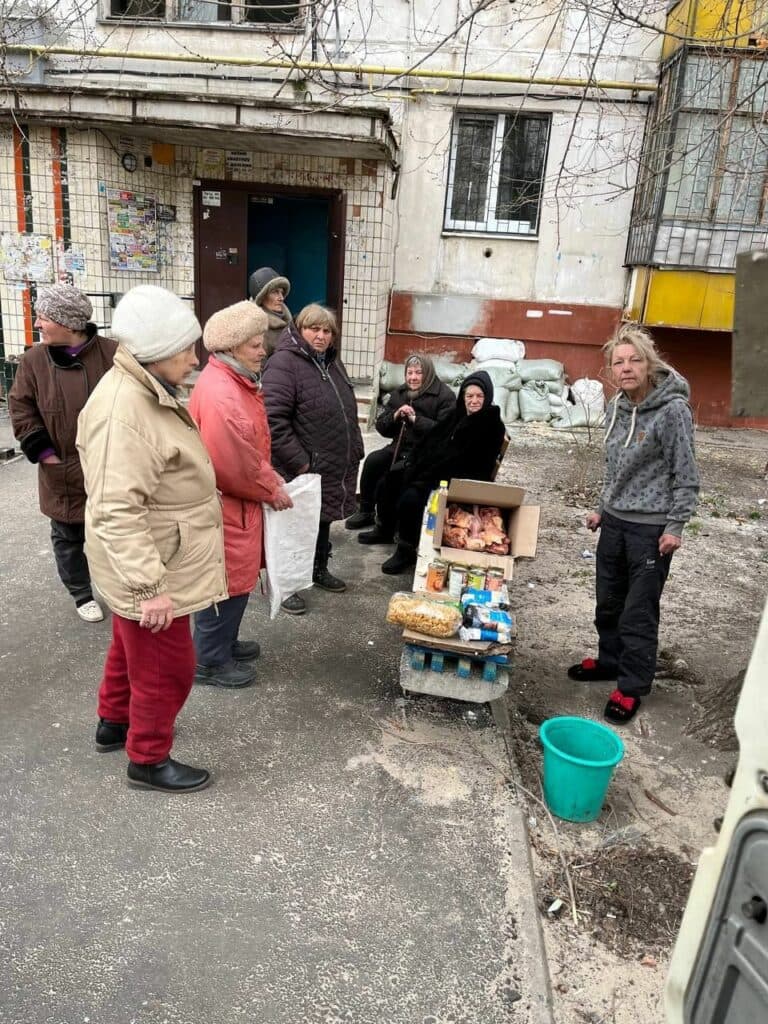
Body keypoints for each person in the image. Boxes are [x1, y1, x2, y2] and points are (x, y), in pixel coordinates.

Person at [76, 285, 228, 793]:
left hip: (154, 554)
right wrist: (149, 588)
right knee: (168, 667)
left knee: (127, 647)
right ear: (158, 350)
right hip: (151, 564)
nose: (195, 357)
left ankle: (113, 723)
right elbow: (115, 511)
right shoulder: (127, 411)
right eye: (187, 348)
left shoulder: (142, 389)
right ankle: (147, 757)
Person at [567, 323, 700, 725]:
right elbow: (613, 467)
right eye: (618, 362)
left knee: (638, 612)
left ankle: (632, 685)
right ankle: (610, 661)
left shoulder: (673, 410)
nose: (626, 368)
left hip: (650, 531)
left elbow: (686, 472)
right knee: (608, 604)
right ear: (611, 370)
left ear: (649, 363)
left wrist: (675, 526)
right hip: (614, 525)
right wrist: (600, 508)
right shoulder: (616, 407)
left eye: (634, 360)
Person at [188, 301, 293, 688]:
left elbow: (250, 451)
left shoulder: (231, 380)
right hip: (229, 504)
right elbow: (234, 464)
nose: (262, 350)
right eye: (254, 345)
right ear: (232, 348)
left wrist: (267, 476)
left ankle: (222, 644)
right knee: (228, 581)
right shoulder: (223, 394)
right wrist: (271, 489)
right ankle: (209, 660)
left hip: (235, 502)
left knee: (237, 578)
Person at [9, 284, 117, 622]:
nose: (38, 324)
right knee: (67, 537)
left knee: (114, 533)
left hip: (109, 469)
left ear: (69, 323)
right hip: (60, 471)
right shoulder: (33, 360)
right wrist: (44, 455)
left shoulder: (113, 354)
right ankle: (81, 593)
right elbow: (21, 407)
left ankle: (119, 587)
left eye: (44, 317)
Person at [262, 303, 364, 615]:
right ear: (299, 330)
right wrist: (302, 463)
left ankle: (317, 569)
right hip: (302, 466)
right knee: (292, 529)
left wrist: (354, 447)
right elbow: (273, 420)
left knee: (322, 521)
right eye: (313, 329)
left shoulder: (331, 362)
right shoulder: (284, 363)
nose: (320, 336)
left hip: (331, 463)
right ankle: (284, 584)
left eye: (326, 330)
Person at [366, 369, 506, 575]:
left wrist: (428, 471)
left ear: (488, 397)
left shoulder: (491, 425)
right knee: (392, 476)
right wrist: (414, 460)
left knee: (411, 498)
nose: (474, 401)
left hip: (458, 482)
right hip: (435, 470)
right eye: (469, 396)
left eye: (479, 396)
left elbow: (473, 465)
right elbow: (431, 439)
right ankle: (385, 528)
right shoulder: (457, 415)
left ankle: (406, 549)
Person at [345, 354, 455, 531]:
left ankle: (387, 525)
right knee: (374, 461)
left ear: (428, 374)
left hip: (425, 455)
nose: (413, 377)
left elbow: (443, 434)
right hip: (399, 448)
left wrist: (415, 419)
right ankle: (366, 511)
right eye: (409, 373)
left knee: (393, 477)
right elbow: (382, 427)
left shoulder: (444, 396)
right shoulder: (401, 393)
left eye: (418, 373)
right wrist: (395, 416)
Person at [248, 267, 292, 359]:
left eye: (281, 292)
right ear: (262, 297)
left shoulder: (291, 323)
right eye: (275, 292)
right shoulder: (257, 329)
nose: (281, 298)